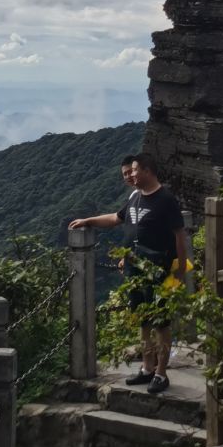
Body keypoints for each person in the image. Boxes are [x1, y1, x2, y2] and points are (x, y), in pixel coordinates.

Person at [74, 152, 189, 395]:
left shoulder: (165, 199)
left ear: (147, 170)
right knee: (143, 320)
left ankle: (161, 373)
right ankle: (147, 369)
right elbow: (116, 219)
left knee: (160, 321)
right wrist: (88, 221)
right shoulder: (136, 198)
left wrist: (180, 268)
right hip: (134, 268)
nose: (131, 175)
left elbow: (179, 234)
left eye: (135, 170)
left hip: (157, 269)